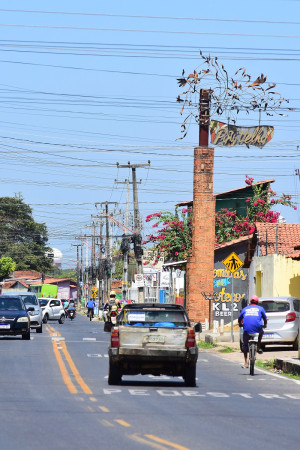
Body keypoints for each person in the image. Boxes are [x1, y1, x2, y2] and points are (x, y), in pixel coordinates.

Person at [238, 295, 267, 369]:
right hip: (258, 328)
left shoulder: (245, 309)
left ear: (250, 302)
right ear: (257, 302)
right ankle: (258, 346)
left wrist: (240, 324)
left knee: (244, 345)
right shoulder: (260, 308)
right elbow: (265, 319)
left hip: (247, 329)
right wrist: (265, 325)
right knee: (261, 332)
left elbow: (239, 319)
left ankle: (245, 362)